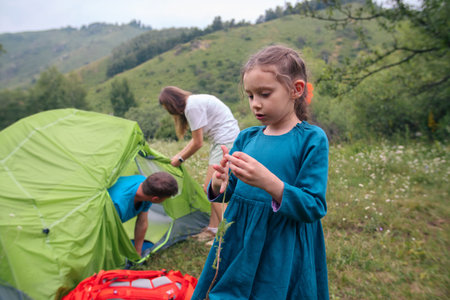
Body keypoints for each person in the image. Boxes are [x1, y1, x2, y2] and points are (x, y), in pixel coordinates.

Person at [191, 45, 329, 299]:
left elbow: (313, 206)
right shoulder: (246, 138)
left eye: (265, 94)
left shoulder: (311, 140)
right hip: (239, 239)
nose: (256, 104)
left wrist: (270, 183)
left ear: (296, 90)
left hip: (281, 246)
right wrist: (219, 183)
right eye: (251, 96)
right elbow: (228, 193)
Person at [159, 86, 240, 244]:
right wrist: (179, 155)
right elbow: (197, 138)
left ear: (171, 103)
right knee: (212, 188)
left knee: (211, 188)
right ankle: (213, 229)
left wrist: (180, 159)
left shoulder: (192, 106)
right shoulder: (194, 102)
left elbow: (198, 142)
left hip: (225, 141)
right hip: (223, 140)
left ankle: (228, 234)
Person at [108, 172, 178, 256]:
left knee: (146, 246)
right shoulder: (118, 204)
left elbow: (142, 222)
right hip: (97, 224)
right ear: (155, 199)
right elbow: (107, 232)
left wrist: (137, 251)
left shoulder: (145, 187)